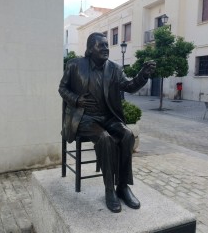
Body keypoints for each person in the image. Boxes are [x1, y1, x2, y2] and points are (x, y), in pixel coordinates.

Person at [59, 32, 156, 213]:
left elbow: (129, 86)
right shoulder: (74, 65)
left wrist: (143, 75)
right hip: (84, 118)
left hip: (108, 117)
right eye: (100, 45)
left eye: (106, 45)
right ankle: (109, 189)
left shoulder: (115, 69)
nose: (105, 48)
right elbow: (62, 88)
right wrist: (76, 99)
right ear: (89, 49)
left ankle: (123, 187)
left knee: (127, 135)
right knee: (105, 139)